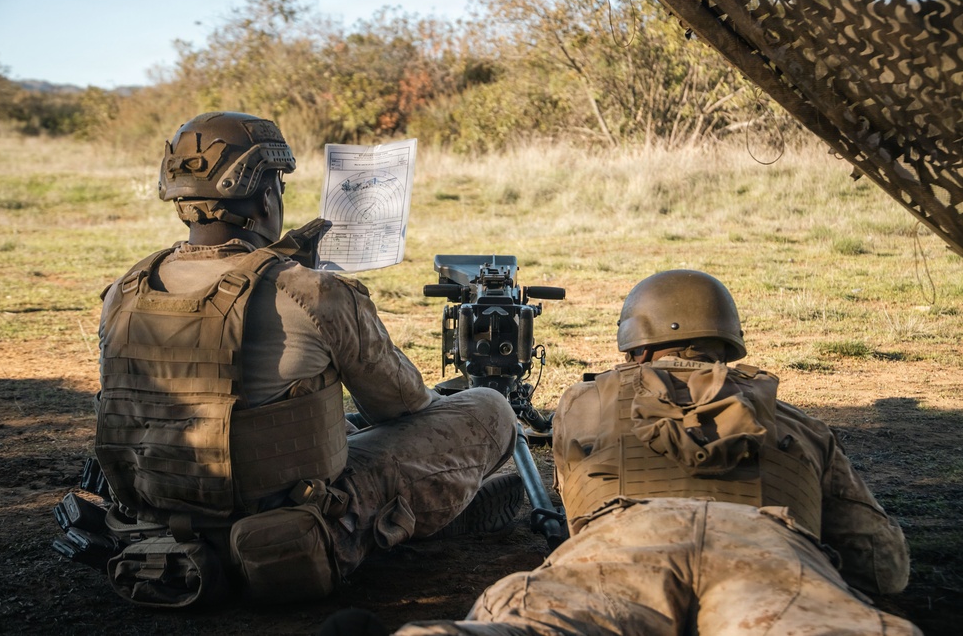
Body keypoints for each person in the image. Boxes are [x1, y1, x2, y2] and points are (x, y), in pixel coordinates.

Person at [79, 111, 519, 608]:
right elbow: (400, 404)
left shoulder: (125, 290)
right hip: (289, 534)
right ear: (267, 195)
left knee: (338, 424)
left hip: (156, 526)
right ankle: (411, 518)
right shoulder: (311, 290)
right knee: (488, 409)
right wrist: (317, 289)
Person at [387, 270, 920, 635]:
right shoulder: (799, 424)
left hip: (625, 538)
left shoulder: (585, 403)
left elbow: (578, 514)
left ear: (636, 346)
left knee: (536, 623)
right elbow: (884, 566)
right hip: (764, 542)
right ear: (730, 344)